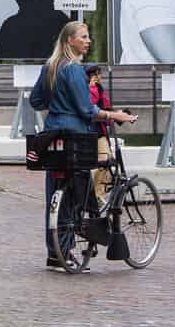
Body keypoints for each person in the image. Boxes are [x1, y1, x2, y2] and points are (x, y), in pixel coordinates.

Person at [29, 22, 137, 270]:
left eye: (88, 36)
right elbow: (87, 110)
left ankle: (54, 253)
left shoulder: (50, 67)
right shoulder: (74, 70)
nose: (88, 41)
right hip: (76, 134)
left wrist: (57, 103)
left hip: (52, 133)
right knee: (75, 194)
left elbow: (36, 101)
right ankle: (67, 250)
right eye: (84, 37)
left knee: (55, 193)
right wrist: (115, 115)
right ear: (70, 41)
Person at [85, 63, 115, 204]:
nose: (97, 77)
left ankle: (98, 195)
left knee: (107, 160)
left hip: (100, 132)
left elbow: (106, 107)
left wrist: (117, 115)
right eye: (93, 74)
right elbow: (91, 106)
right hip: (87, 132)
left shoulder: (100, 89)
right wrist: (91, 88)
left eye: (98, 74)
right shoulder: (85, 89)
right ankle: (91, 195)